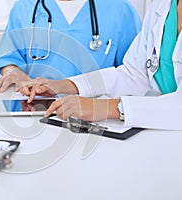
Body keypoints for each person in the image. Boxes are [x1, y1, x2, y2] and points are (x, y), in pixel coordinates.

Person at [20, 0, 182, 130]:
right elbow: (133, 75)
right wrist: (65, 85)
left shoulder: (119, 8)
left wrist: (108, 108)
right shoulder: (162, 6)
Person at [0, 0, 142, 92]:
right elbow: (9, 56)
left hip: (97, 111)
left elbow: (134, 70)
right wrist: (11, 71)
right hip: (36, 107)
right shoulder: (25, 6)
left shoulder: (119, 8)